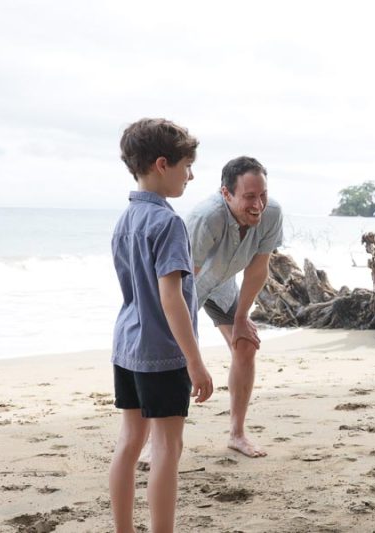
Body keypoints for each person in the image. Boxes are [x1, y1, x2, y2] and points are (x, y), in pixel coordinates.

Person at [109, 118, 213, 532]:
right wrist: (195, 361)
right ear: (162, 164)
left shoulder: (126, 219)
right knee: (167, 446)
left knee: (129, 441)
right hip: (162, 351)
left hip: (126, 345)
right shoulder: (169, 223)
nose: (191, 175)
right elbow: (171, 300)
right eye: (187, 166)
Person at [185, 156, 283, 457]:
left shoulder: (271, 213)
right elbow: (181, 281)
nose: (258, 204)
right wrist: (191, 356)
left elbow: (258, 268)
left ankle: (237, 434)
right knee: (173, 357)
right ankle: (154, 441)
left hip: (223, 281)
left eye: (262, 194)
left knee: (246, 344)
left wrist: (241, 317)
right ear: (226, 194)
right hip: (185, 284)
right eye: (249, 197)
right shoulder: (207, 218)